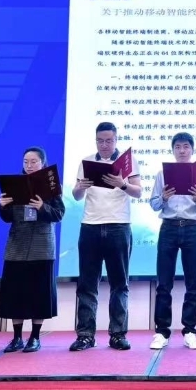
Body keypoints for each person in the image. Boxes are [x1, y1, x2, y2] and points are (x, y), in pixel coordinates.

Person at [69, 122, 141, 351]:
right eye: (100, 141)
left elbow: (138, 191)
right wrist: (81, 187)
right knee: (87, 284)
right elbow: (76, 195)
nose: (105, 145)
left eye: (109, 140)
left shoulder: (127, 162)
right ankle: (85, 335)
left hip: (119, 226)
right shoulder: (87, 161)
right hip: (90, 226)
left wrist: (122, 184)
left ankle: (118, 334)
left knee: (119, 284)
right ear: (96, 141)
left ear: (116, 140)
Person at [0, 147, 65, 353]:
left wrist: (42, 207)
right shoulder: (13, 184)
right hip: (17, 244)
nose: (29, 165)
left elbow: (59, 214)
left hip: (42, 246)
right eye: (26, 161)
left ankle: (35, 337)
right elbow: (7, 217)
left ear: (43, 163)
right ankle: (16, 337)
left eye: (34, 161)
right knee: (14, 293)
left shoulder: (51, 185)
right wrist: (2, 205)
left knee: (39, 293)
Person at [148, 132, 196, 350]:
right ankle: (162, 331)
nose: (182, 150)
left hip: (192, 228)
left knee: (193, 282)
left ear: (192, 149)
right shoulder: (162, 174)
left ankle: (190, 331)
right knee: (164, 282)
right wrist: (163, 198)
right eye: (178, 147)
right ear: (173, 150)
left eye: (186, 146)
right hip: (168, 227)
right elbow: (153, 204)